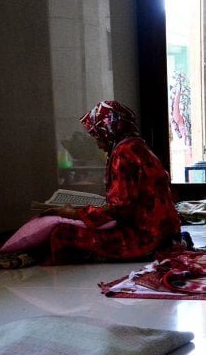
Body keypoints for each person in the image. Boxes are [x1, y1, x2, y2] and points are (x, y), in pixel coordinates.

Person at [40, 100, 181, 264]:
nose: (98, 144)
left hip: (147, 239)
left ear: (108, 131)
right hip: (168, 234)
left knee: (62, 233)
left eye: (98, 136)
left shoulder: (123, 152)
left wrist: (75, 213)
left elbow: (120, 206)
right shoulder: (139, 147)